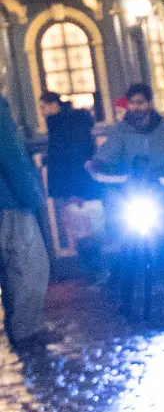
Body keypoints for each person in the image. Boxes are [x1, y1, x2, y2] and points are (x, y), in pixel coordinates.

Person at [88, 82, 164, 294]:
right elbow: (107, 154)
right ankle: (120, 287)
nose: (135, 107)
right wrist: (96, 165)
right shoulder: (121, 132)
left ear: (150, 104)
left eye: (140, 102)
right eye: (132, 103)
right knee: (121, 239)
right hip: (134, 194)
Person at [0, 94, 51, 348]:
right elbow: (11, 156)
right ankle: (26, 331)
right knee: (27, 264)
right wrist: (33, 196)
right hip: (7, 201)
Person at [43, 90, 102, 278]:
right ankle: (95, 271)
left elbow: (70, 160)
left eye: (44, 106)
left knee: (81, 231)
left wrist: (75, 191)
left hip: (75, 189)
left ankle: (94, 271)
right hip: (81, 187)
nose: (43, 111)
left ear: (54, 104)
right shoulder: (71, 123)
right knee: (86, 230)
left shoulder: (61, 126)